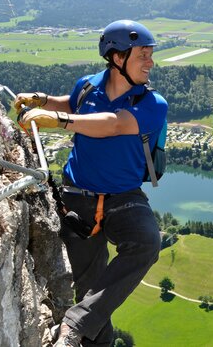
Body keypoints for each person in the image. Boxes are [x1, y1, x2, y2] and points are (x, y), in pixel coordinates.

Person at [15, 20, 168, 347]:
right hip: (78, 198)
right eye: (143, 54)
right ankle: (76, 333)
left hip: (123, 197)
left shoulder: (152, 105)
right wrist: (42, 100)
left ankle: (72, 324)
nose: (150, 62)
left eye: (151, 54)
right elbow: (73, 105)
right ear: (117, 58)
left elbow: (113, 124)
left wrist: (60, 121)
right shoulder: (87, 86)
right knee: (91, 296)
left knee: (146, 242)